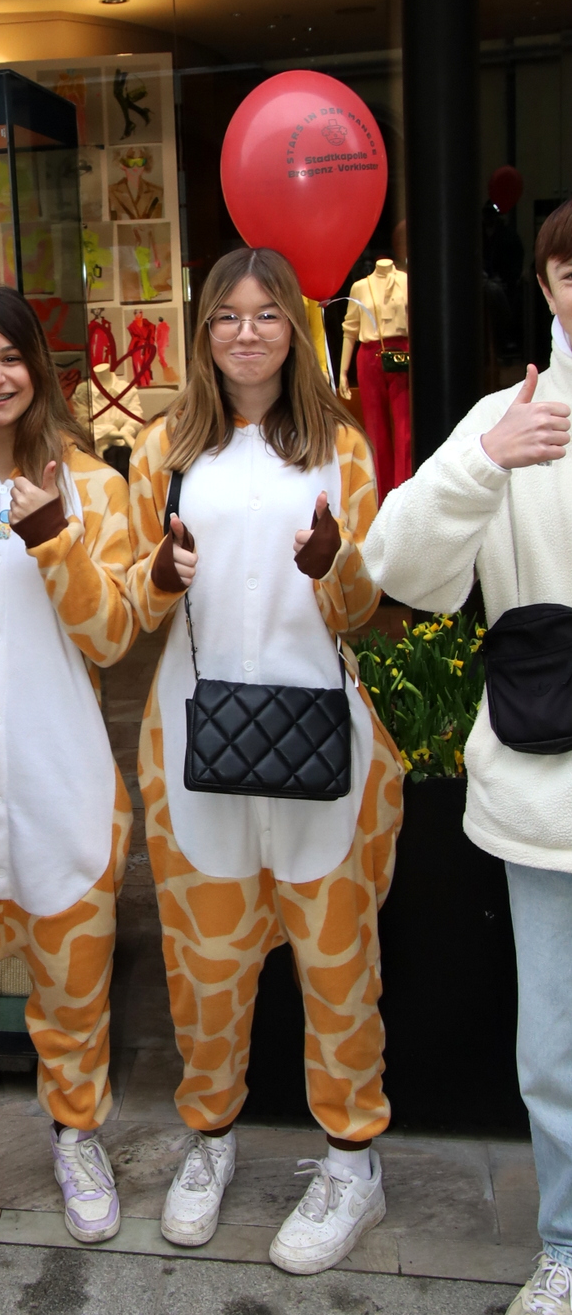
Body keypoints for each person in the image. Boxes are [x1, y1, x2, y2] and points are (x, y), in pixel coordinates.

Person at [126, 246, 403, 1274]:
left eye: (266, 314)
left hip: (320, 737)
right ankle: (208, 1138)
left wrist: (334, 566)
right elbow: (129, 599)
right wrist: (159, 575)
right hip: (193, 736)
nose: (246, 333)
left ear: (295, 325)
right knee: (202, 964)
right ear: (202, 332)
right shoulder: (161, 447)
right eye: (226, 316)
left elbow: (362, 606)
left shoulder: (340, 445)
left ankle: (351, 1160)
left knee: (338, 960)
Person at [363, 201, 572, 1315]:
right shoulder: (507, 416)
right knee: (553, 1051)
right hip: (547, 791)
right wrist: (482, 465)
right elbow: (398, 569)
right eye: (571, 272)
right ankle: (565, 1246)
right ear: (544, 287)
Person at [0, 286, 136, 1247]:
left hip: (60, 781)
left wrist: (50, 538)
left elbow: (113, 635)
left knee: (74, 983)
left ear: (39, 370)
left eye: (9, 357)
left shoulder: (96, 488)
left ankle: (76, 1134)